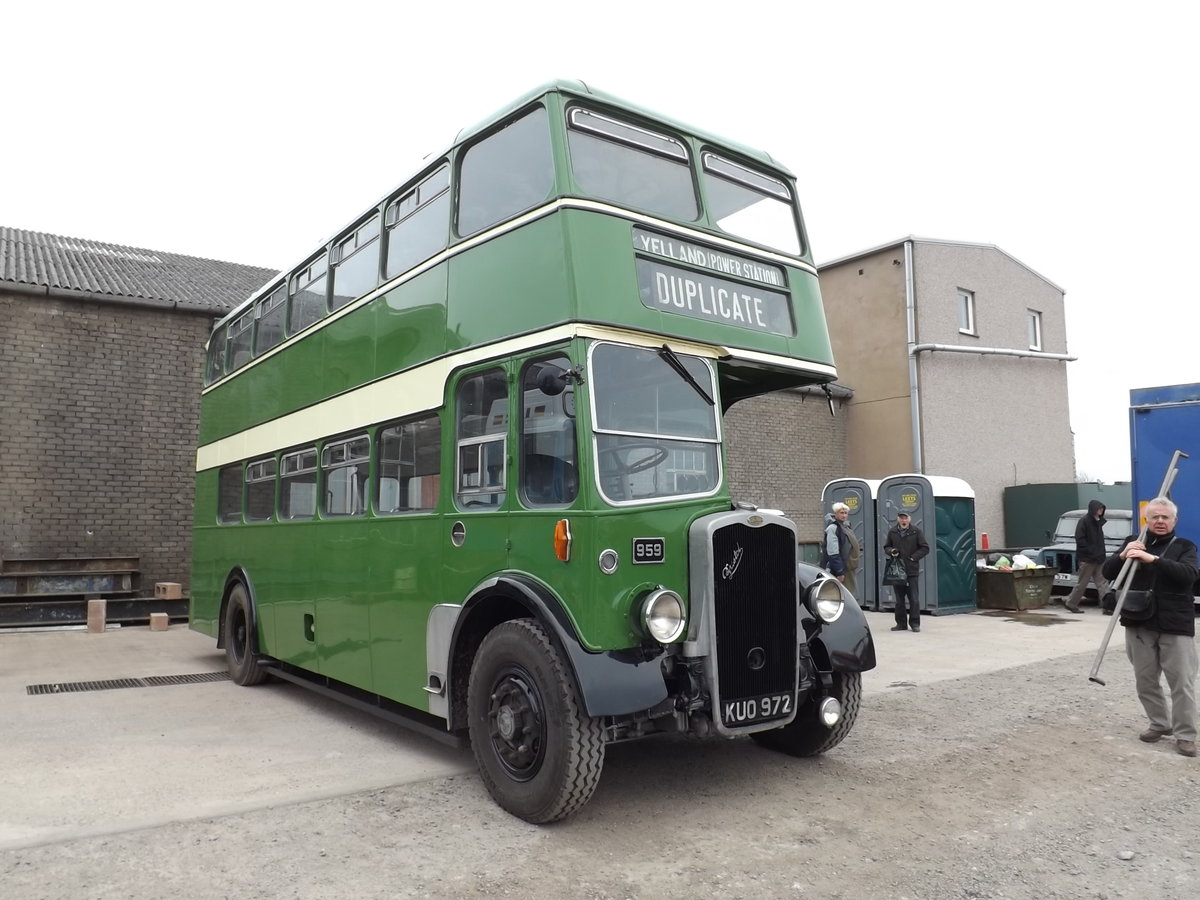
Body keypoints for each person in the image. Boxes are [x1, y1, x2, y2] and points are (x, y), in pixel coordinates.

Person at [1100, 497, 1200, 758]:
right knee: (1145, 680)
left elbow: (1189, 575)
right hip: (1139, 621)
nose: (1159, 521)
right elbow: (1109, 573)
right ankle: (1159, 724)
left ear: (1174, 521)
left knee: (1182, 683)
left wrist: (1152, 559)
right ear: (1147, 520)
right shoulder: (1134, 541)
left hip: (1175, 624)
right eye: (1154, 516)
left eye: (1165, 517)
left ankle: (1185, 735)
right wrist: (1123, 555)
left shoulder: (1184, 546)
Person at [884, 511, 930, 632]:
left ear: (909, 519)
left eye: (905, 518)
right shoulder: (892, 532)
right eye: (901, 518)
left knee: (914, 598)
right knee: (899, 599)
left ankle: (915, 623)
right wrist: (891, 551)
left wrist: (913, 557)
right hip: (897, 570)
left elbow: (925, 548)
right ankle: (901, 623)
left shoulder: (916, 531)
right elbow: (886, 547)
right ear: (898, 519)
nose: (903, 520)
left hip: (911, 570)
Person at [1064, 500, 1112, 613]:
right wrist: (1092, 552)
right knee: (1083, 583)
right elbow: (1080, 540)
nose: (1101, 510)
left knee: (1103, 583)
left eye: (1102, 509)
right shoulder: (1084, 521)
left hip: (1099, 558)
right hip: (1087, 559)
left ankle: (1107, 606)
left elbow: (1099, 541)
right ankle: (1071, 603)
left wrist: (1101, 554)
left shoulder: (1099, 522)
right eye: (1099, 508)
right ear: (1093, 509)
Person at [821, 502, 853, 587]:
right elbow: (833, 552)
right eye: (841, 513)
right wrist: (839, 571)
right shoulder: (833, 528)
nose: (844, 515)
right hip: (835, 569)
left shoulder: (845, 527)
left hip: (845, 566)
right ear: (835, 514)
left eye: (846, 513)